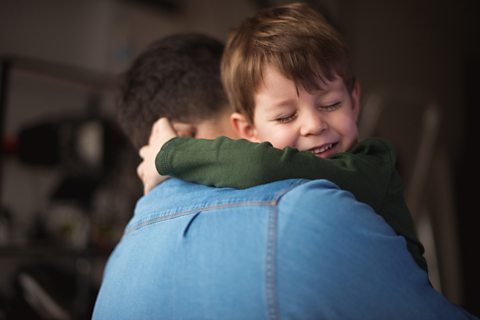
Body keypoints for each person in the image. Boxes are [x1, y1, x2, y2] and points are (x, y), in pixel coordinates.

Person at [92, 32, 479, 319]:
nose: (309, 128)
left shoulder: (117, 268)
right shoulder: (307, 208)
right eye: (280, 117)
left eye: (329, 103)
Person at [139, 2, 427, 272]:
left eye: (331, 104)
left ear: (354, 100)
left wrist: (170, 153)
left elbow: (260, 165)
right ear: (248, 130)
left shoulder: (374, 165)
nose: (314, 125)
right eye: (286, 116)